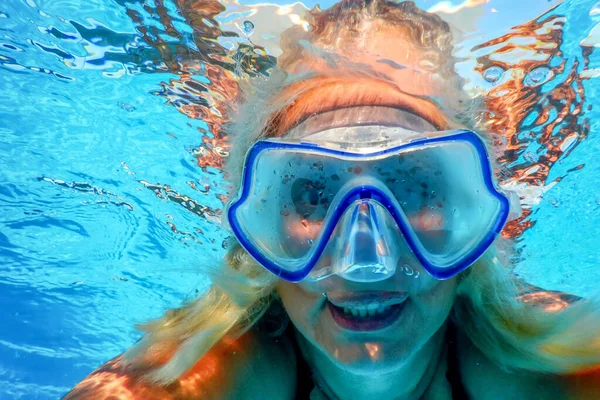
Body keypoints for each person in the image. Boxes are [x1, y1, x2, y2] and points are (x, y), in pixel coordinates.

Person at [64, 1, 600, 399]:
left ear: (470, 212)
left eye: (415, 187)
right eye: (313, 194)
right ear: (259, 226)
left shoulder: (546, 365)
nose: (367, 261)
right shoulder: (225, 370)